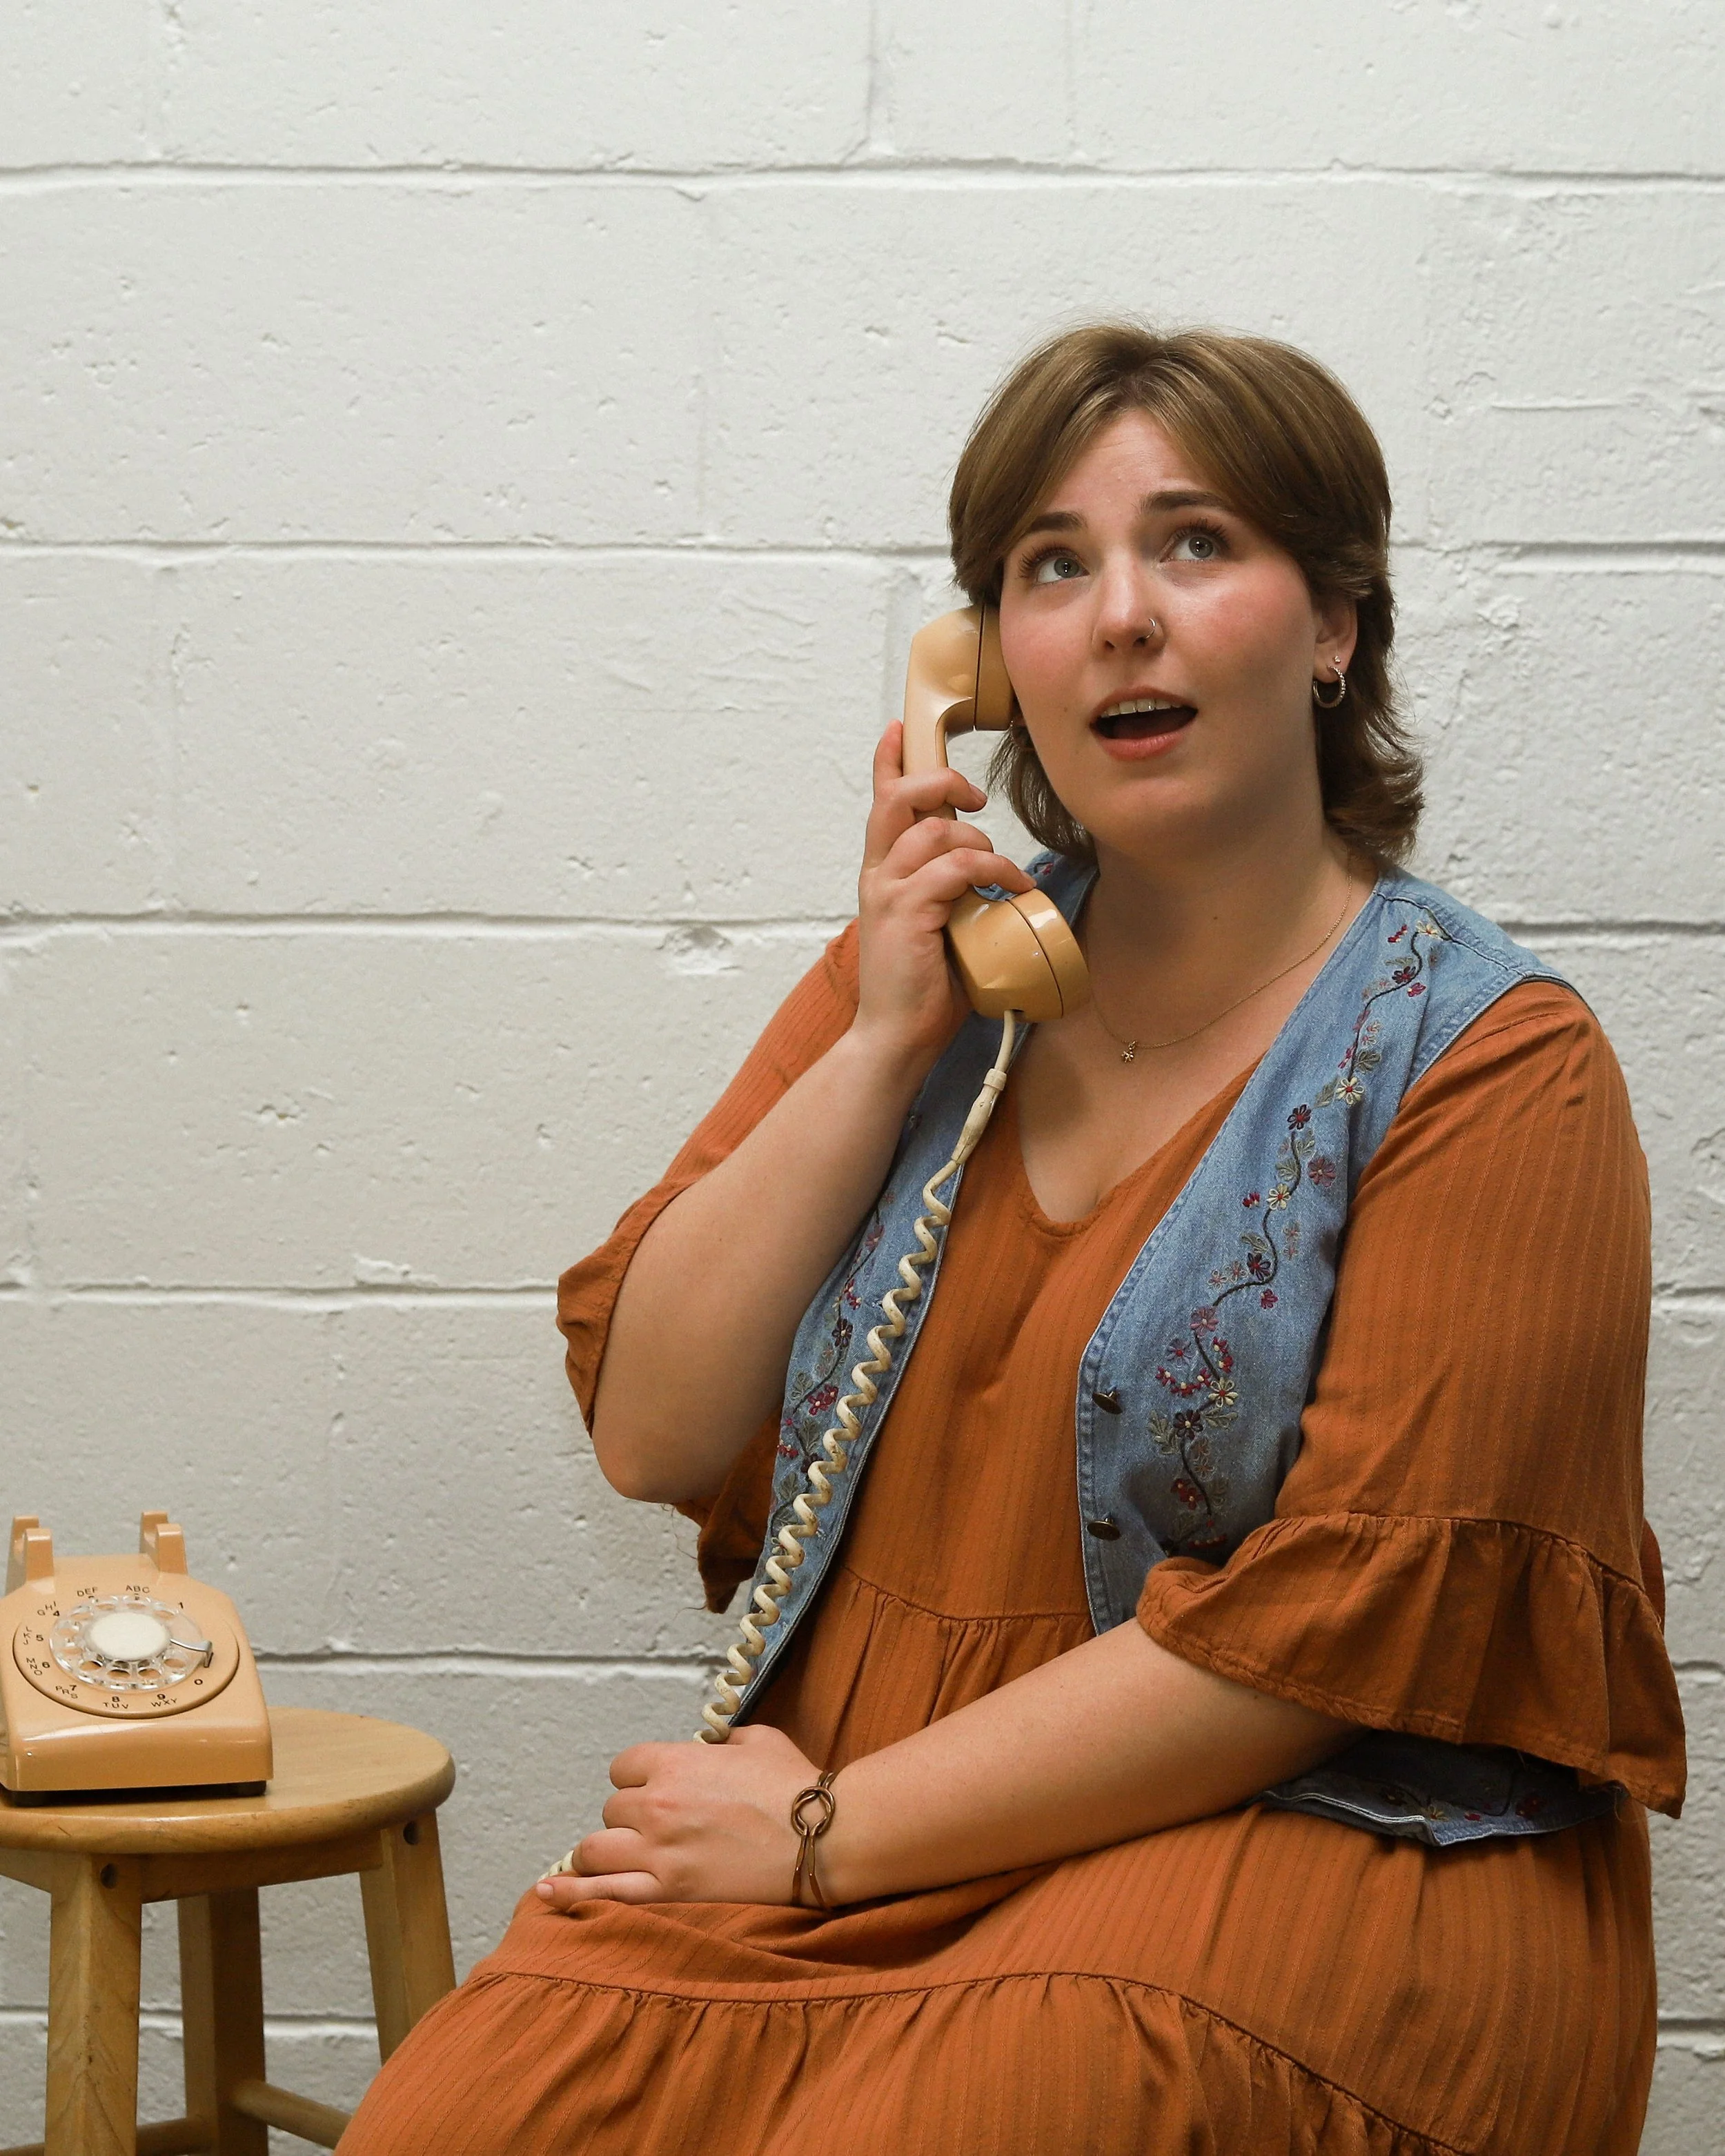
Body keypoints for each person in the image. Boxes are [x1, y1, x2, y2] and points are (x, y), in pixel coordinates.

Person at [342, 324, 1685, 2155]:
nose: (1118, 612)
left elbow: (1313, 1651)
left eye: (1194, 543)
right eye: (1051, 565)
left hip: (1309, 1848)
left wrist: (819, 1837)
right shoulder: (931, 981)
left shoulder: (1489, 1063)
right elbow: (652, 1427)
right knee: (455, 2124)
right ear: (983, 669)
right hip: (864, 1839)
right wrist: (887, 1031)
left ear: (1333, 625)